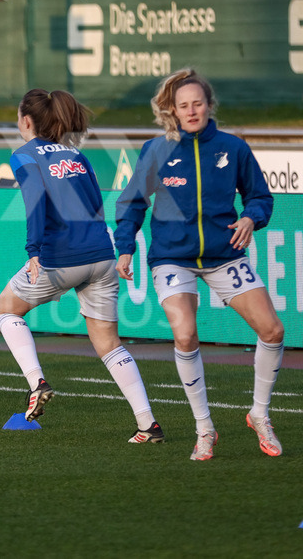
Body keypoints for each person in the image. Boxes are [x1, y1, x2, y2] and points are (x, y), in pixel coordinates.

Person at [115, 69, 284, 460]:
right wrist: (125, 247)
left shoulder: (233, 148)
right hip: (172, 257)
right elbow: (132, 204)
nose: (192, 111)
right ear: (172, 110)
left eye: (198, 103)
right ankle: (204, 427)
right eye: (184, 105)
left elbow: (261, 197)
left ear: (209, 105)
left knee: (273, 330)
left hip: (224, 256)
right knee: (186, 336)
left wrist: (249, 218)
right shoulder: (156, 151)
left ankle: (259, 414)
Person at [0, 88, 163, 442]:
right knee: (109, 343)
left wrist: (34, 249)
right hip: (101, 255)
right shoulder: (77, 155)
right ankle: (148, 424)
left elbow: (35, 200)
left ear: (26, 121)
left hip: (61, 256)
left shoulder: (24, 155)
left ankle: (36, 382)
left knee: (7, 308)